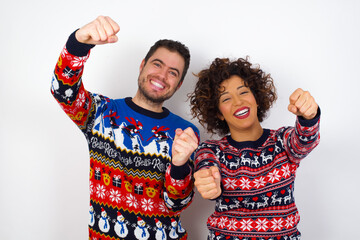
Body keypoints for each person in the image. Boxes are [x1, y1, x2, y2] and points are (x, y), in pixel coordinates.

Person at [51, 16, 199, 240]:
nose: (162, 75)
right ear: (142, 65)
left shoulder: (185, 134)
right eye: (157, 64)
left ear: (178, 85)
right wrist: (78, 43)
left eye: (173, 72)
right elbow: (62, 90)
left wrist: (179, 165)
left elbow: (177, 203)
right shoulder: (102, 112)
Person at [189, 57, 320, 240]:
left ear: (256, 98)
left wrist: (309, 116)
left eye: (243, 92)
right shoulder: (211, 150)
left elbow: (304, 141)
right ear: (218, 112)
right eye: (226, 98)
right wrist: (207, 182)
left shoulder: (282, 141)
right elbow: (206, 169)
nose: (238, 102)